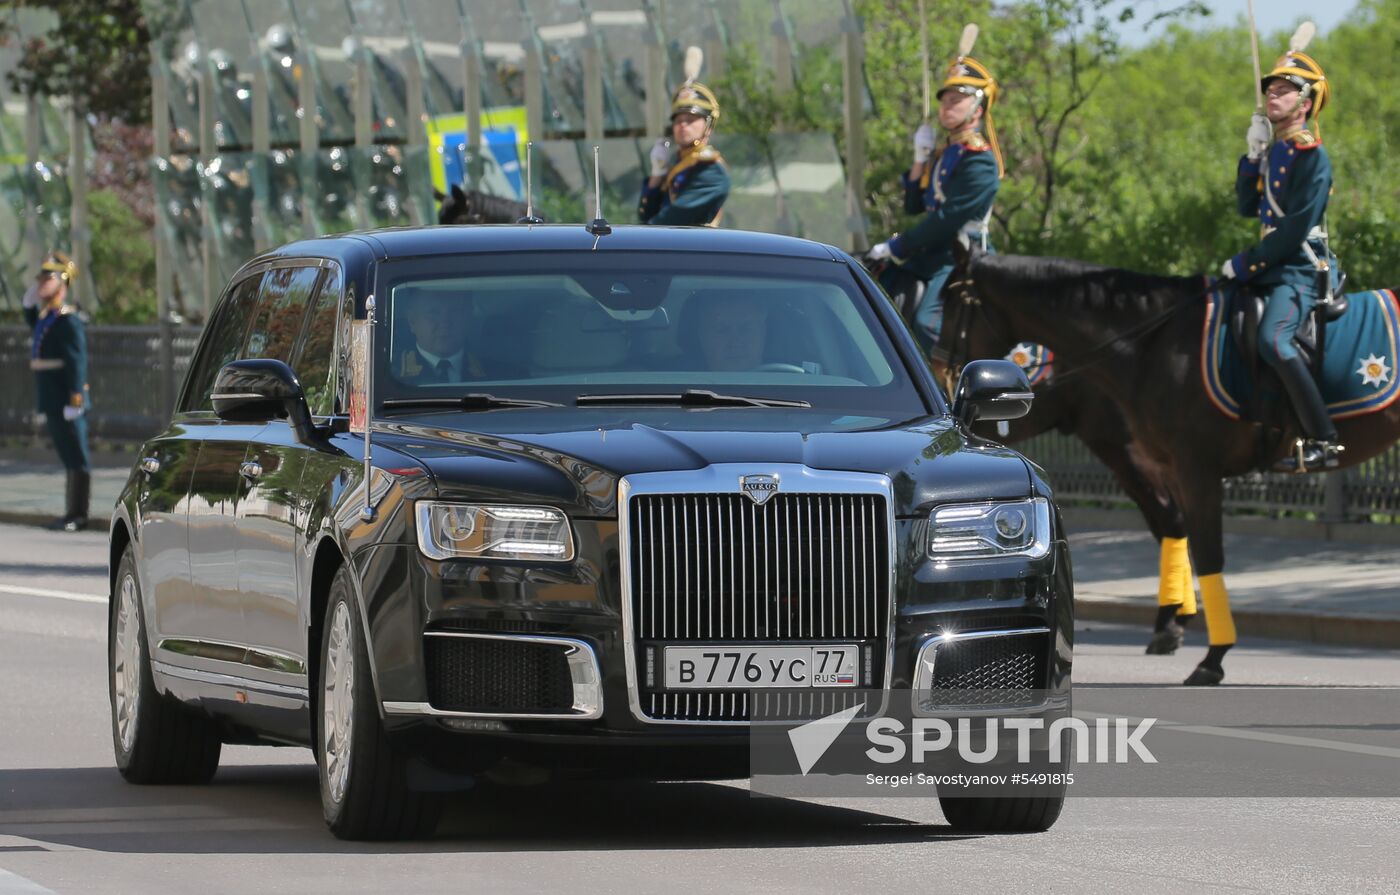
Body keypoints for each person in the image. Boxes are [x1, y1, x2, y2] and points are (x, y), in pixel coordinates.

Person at [1218, 44, 1341, 471]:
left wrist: (1246, 261)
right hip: (1276, 265)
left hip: (1300, 269)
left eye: (1285, 89)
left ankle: (1324, 439)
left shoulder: (1313, 156)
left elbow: (1293, 231)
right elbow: (1246, 208)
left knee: (1273, 339)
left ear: (1305, 104)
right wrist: (1251, 159)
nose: (1273, 94)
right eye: (1271, 88)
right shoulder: (1276, 151)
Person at [867, 27, 1003, 356]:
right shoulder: (946, 154)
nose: (947, 105)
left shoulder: (980, 161)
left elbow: (948, 219)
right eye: (945, 99)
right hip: (933, 251)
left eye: (957, 100)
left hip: (962, 253)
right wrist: (918, 160)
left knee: (929, 323)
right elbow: (914, 205)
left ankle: (952, 390)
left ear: (978, 108)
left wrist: (898, 244)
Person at [22, 251, 91, 532]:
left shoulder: (68, 320)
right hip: (51, 398)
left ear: (62, 283)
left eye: (46, 278)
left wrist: (75, 398)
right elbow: (34, 324)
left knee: (77, 456)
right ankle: (70, 512)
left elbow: (77, 362)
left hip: (66, 398)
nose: (40, 283)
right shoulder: (48, 318)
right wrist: (29, 299)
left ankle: (79, 514)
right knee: (66, 454)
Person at [638, 70, 730, 227]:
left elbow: (669, 220)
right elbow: (646, 215)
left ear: (708, 126)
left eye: (691, 120)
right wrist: (657, 175)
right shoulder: (677, 163)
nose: (682, 125)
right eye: (678, 120)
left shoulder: (712, 171)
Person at [395, 290, 480, 383]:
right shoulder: (391, 373)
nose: (445, 323)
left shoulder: (494, 374)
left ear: (469, 318)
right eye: (433, 313)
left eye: (455, 311)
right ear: (412, 321)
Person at [690, 292, 769, 372]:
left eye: (746, 329)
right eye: (722, 330)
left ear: (763, 333)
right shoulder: (679, 378)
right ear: (702, 337)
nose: (735, 343)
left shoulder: (781, 378)